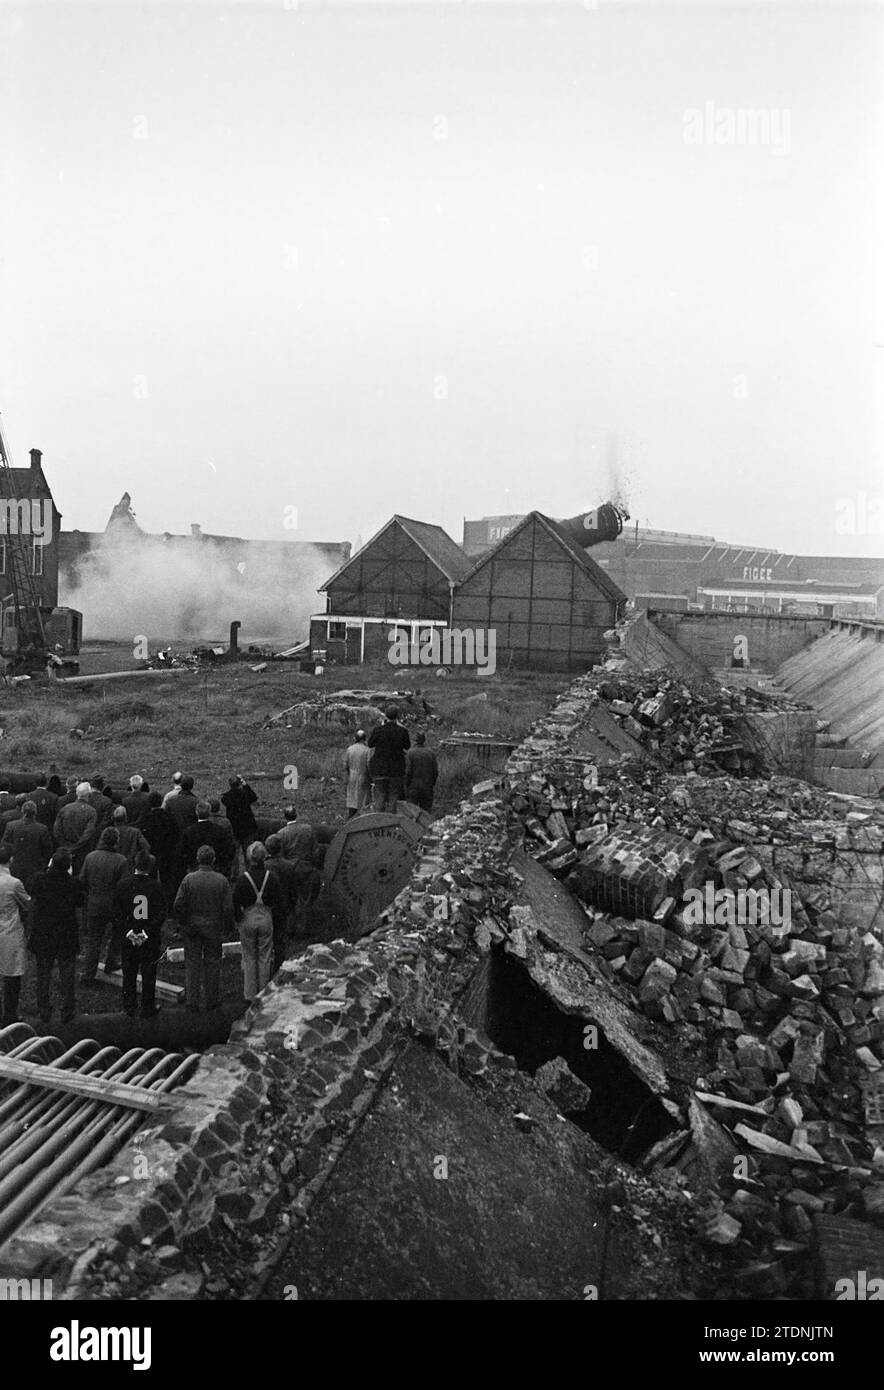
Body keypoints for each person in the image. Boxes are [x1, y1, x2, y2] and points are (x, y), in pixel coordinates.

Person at [173, 844, 233, 1012]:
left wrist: (184, 922)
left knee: (192, 963)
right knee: (213, 962)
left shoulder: (188, 879)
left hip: (193, 926)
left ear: (198, 860)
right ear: (213, 860)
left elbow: (178, 904)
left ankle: (192, 1000)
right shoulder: (221, 880)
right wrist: (228, 927)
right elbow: (228, 908)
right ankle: (212, 1000)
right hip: (213, 926)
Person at [29, 848, 84, 1024]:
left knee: (44, 973)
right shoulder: (74, 883)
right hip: (66, 933)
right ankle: (67, 1009)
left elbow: (33, 893)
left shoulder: (40, 879)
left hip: (44, 932)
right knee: (67, 973)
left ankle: (44, 1009)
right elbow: (80, 902)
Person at [115, 850, 165, 1018]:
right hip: (148, 937)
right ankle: (147, 1007)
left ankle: (129, 1006)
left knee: (128, 973)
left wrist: (128, 932)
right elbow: (161, 914)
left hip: (129, 935)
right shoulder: (156, 886)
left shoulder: (123, 885)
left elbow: (116, 913)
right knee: (149, 973)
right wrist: (146, 933)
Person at [233, 842, 282, 1001]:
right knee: (265, 956)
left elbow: (235, 901)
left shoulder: (242, 879)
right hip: (266, 917)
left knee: (249, 957)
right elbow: (278, 900)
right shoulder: (272, 877)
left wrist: (238, 919)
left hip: (248, 917)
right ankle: (263, 993)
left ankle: (249, 995)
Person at [79, 826, 128, 982]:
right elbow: (124, 887)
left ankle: (88, 974)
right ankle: (111, 961)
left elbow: (82, 880)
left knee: (93, 939)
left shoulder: (90, 857)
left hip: (94, 903)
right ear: (116, 841)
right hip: (114, 905)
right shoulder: (121, 860)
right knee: (117, 934)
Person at [0, 844, 30, 1026]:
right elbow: (27, 903)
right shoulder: (14, 883)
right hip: (10, 931)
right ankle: (10, 1015)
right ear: (11, 859)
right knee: (12, 975)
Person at [264, 835, 299, 969]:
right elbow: (293, 890)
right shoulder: (289, 866)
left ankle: (265, 967)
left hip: (266, 907)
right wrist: (292, 905)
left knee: (265, 940)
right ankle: (279, 967)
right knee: (280, 940)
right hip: (283, 907)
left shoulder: (264, 866)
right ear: (281, 848)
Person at [2, 800, 54, 892]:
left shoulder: (11, 826)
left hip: (15, 866)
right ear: (35, 812)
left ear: (22, 811)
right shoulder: (42, 829)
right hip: (35, 868)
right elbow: (48, 850)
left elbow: (4, 845)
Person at [368, 704, 411, 812]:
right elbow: (407, 746)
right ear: (397, 716)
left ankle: (378, 821)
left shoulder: (378, 730)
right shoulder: (402, 731)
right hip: (396, 770)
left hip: (379, 769)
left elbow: (370, 744)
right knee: (393, 797)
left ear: (386, 716)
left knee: (380, 796)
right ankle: (391, 822)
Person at [178, 801, 236, 879]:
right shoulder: (219, 830)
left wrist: (189, 863)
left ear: (196, 813)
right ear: (209, 813)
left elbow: (182, 852)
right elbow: (228, 849)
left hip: (194, 868)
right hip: (214, 868)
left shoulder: (189, 831)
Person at [140, 791, 179, 905]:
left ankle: (151, 904)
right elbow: (176, 834)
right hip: (167, 853)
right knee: (167, 881)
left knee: (150, 880)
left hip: (151, 853)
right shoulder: (169, 817)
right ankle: (169, 907)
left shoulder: (146, 818)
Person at [54, 783, 98, 875]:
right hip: (82, 852)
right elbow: (88, 834)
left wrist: (66, 846)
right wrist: (75, 848)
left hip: (64, 851)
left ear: (77, 794)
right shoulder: (92, 812)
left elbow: (57, 831)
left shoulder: (65, 808)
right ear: (89, 795)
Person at [404, 731, 439, 812]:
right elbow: (435, 771)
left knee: (412, 812)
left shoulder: (410, 753)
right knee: (426, 813)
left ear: (414, 741)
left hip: (413, 787)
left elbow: (407, 772)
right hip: (427, 786)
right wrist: (432, 783)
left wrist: (406, 785)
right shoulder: (431, 753)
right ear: (424, 740)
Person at [222, 775, 259, 850]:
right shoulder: (245, 794)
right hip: (247, 827)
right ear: (239, 784)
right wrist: (245, 784)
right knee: (249, 850)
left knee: (237, 851)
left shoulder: (226, 797)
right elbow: (254, 797)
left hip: (234, 827)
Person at [343, 729, 372, 816]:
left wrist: (346, 776)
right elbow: (369, 765)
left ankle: (351, 817)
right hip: (363, 776)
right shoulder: (367, 750)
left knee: (352, 799)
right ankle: (362, 818)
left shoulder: (349, 749)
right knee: (363, 800)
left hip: (352, 776)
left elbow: (345, 765)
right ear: (364, 739)